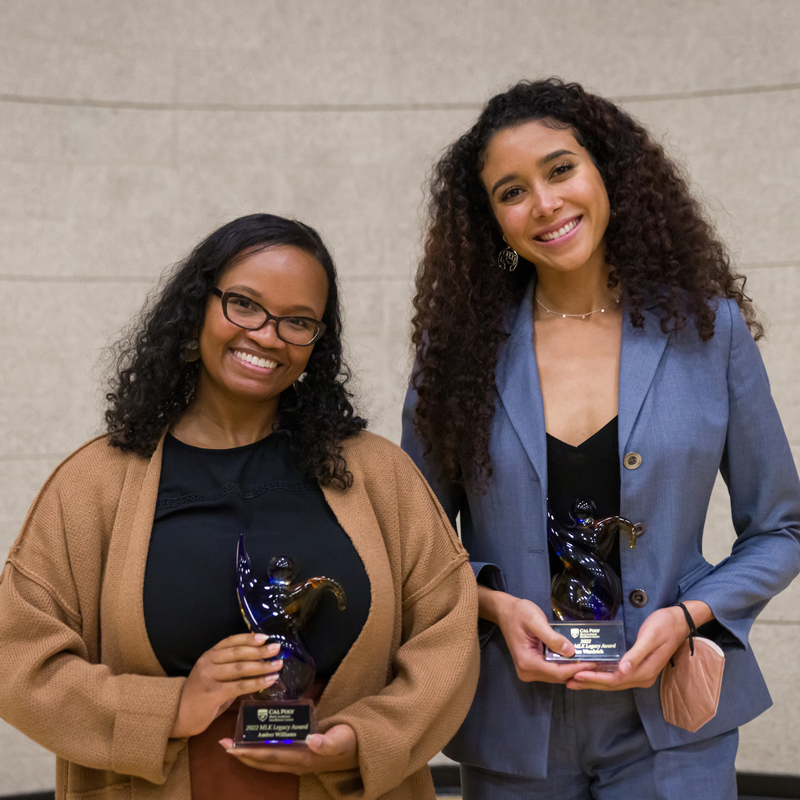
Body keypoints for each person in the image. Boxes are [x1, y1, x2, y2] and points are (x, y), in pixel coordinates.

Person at [401, 79, 800, 798]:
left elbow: (783, 528)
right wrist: (495, 606)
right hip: (514, 727)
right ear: (490, 220)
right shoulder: (457, 351)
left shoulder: (710, 333)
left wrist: (688, 617)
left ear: (606, 172)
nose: (545, 203)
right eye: (511, 191)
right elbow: (414, 548)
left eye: (560, 169)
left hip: (674, 726)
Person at [0, 213, 479, 800]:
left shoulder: (378, 475)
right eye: (245, 305)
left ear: (318, 341)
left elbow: (448, 633)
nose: (268, 335)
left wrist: (362, 741)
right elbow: (18, 659)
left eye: (298, 321)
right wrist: (170, 709)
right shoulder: (94, 484)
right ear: (198, 305)